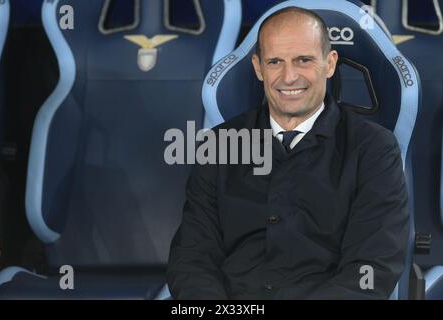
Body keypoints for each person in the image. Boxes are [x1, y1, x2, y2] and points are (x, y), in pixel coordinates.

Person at [167, 7, 409, 299]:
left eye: (303, 60)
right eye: (275, 62)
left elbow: (372, 268)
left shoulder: (374, 149)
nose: (289, 76)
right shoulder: (218, 146)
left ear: (329, 63)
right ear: (258, 68)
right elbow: (192, 258)